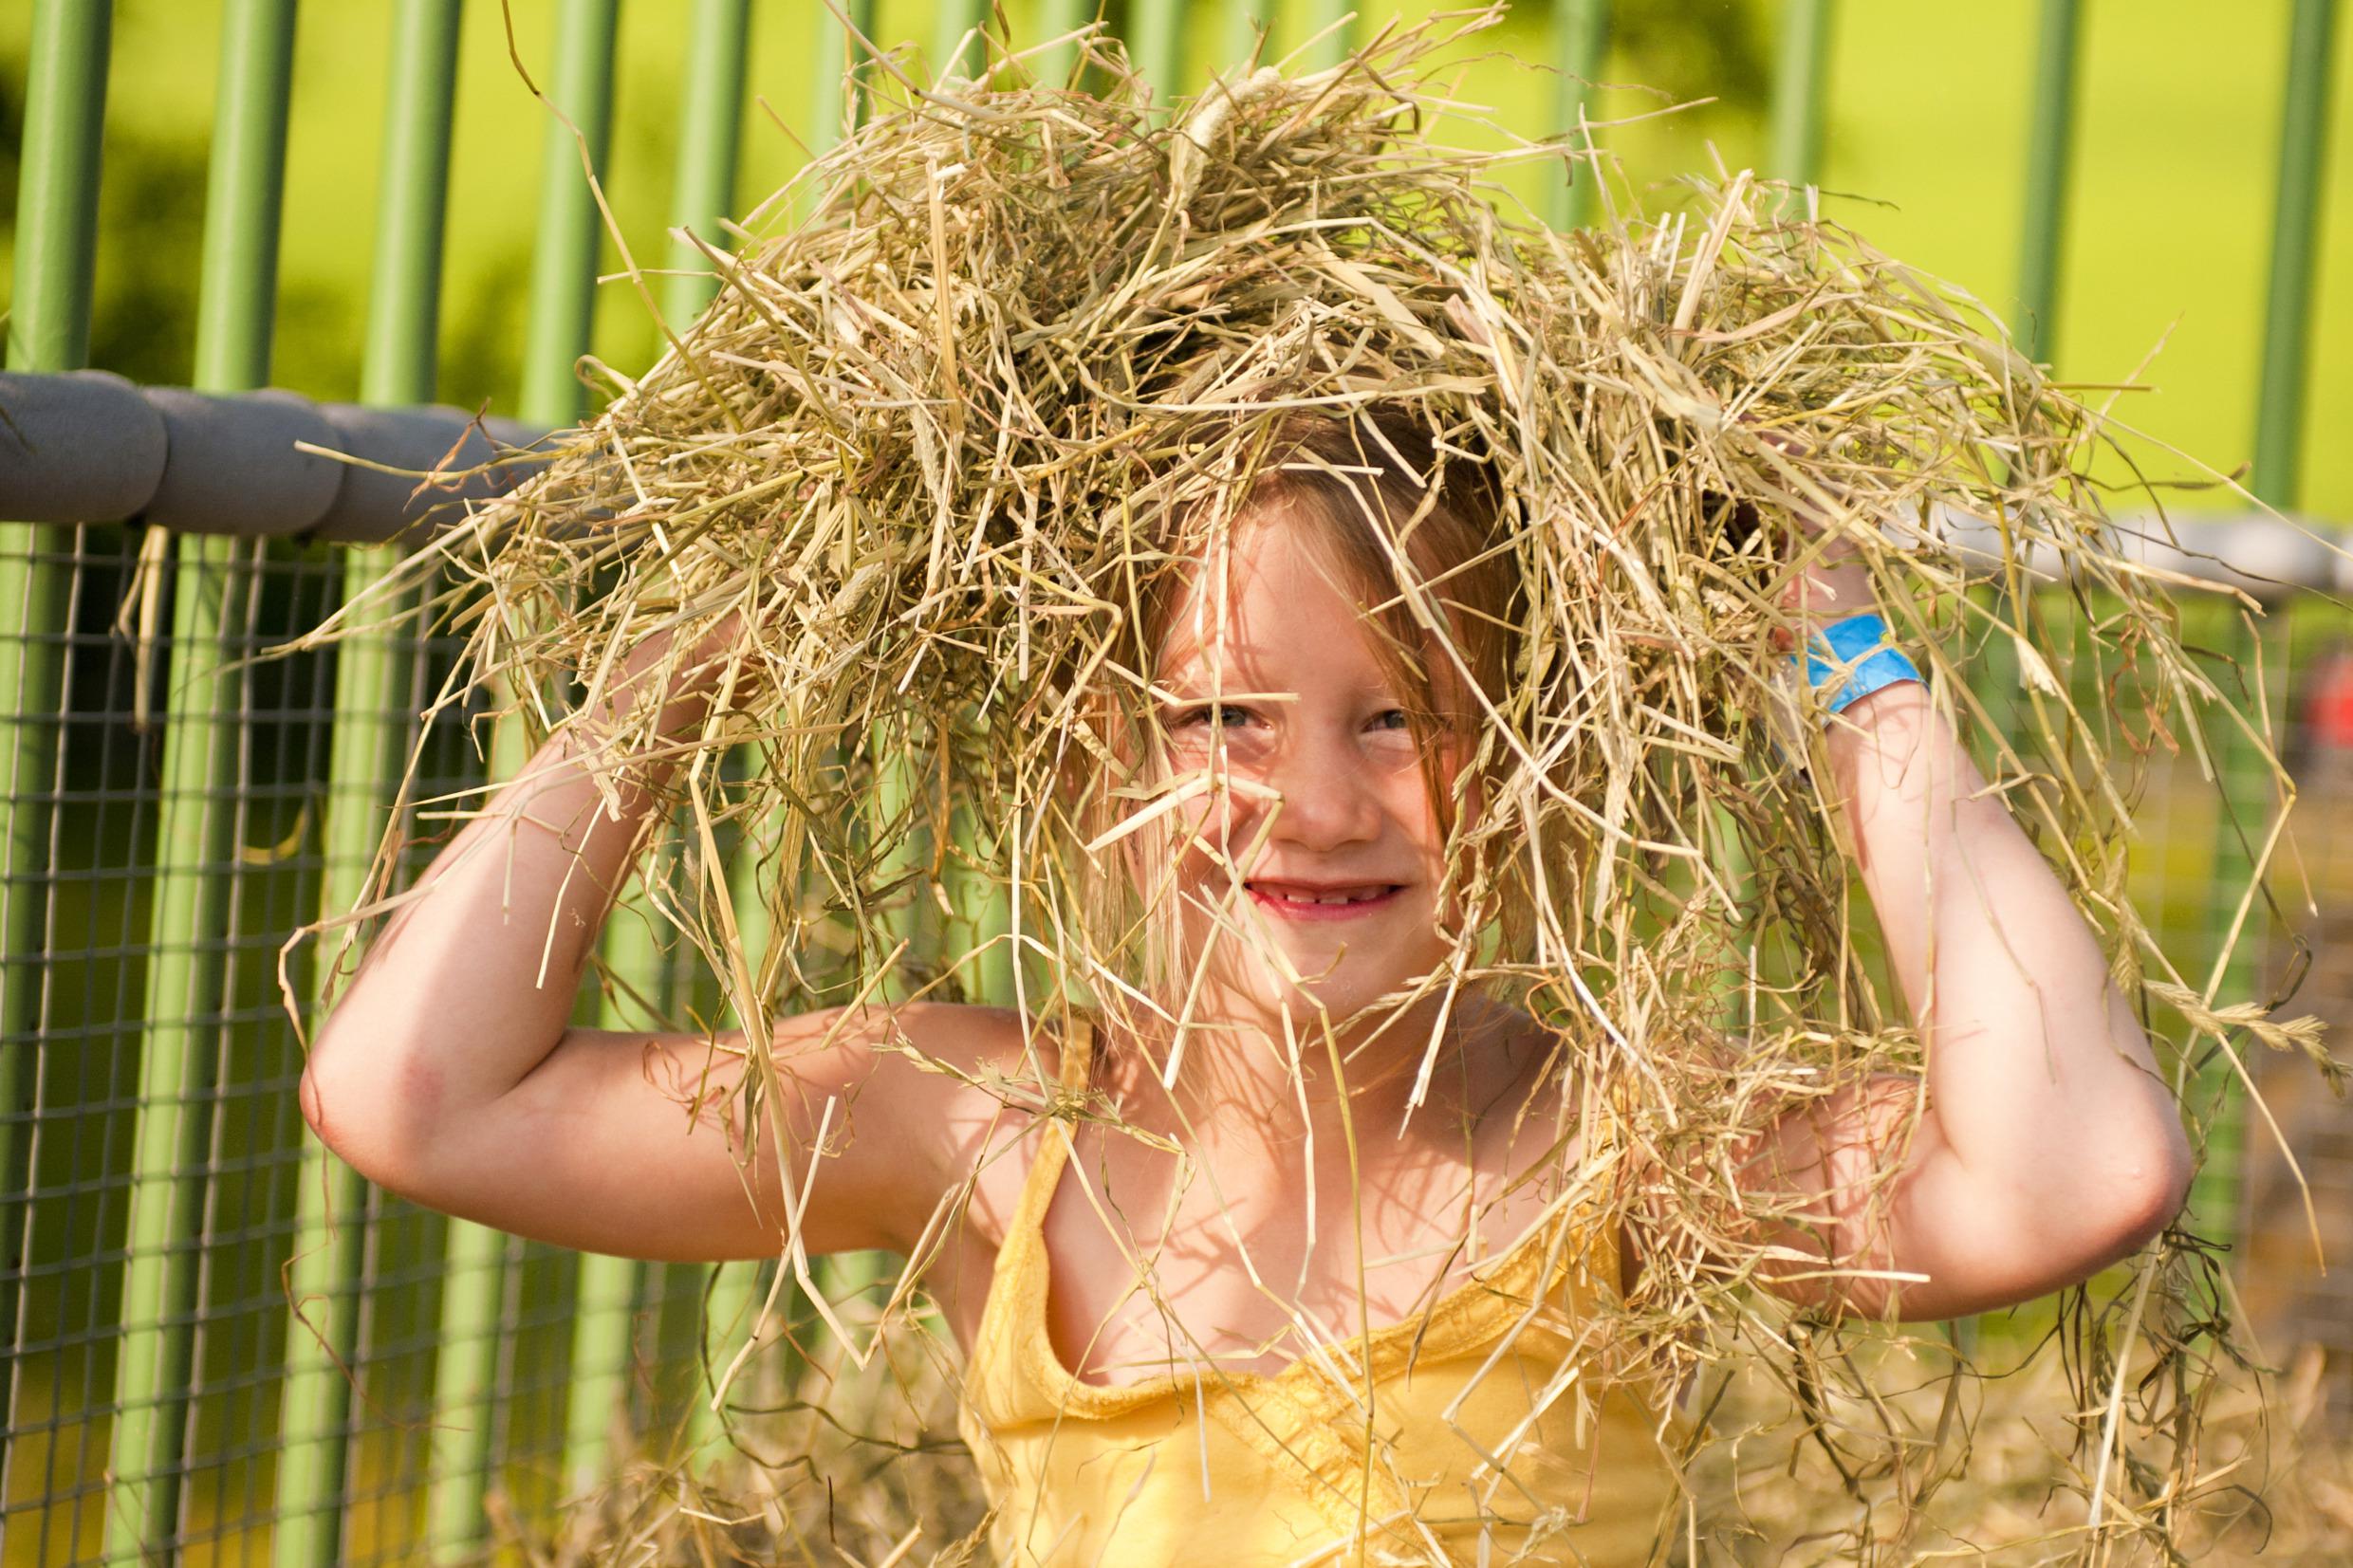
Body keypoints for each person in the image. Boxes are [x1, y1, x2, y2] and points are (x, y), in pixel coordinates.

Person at [300, 404, 2195, 1566]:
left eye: (1401, 717)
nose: (1314, 798)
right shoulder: (976, 1125)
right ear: (1089, 760)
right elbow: (417, 1095)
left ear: (1537, 761)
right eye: (1221, 715)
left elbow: (2074, 1172)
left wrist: (1852, 671)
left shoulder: (1629, 1154)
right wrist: (672, 685)